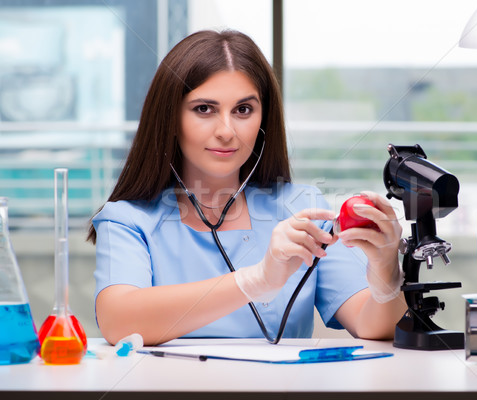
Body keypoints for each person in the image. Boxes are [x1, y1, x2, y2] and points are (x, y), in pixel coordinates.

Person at [88, 29, 406, 346]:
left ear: (263, 119)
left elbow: (373, 326)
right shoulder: (127, 220)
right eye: (204, 109)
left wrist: (385, 273)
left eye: (243, 110)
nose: (227, 132)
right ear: (170, 119)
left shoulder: (304, 208)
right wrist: (256, 279)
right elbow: (119, 322)